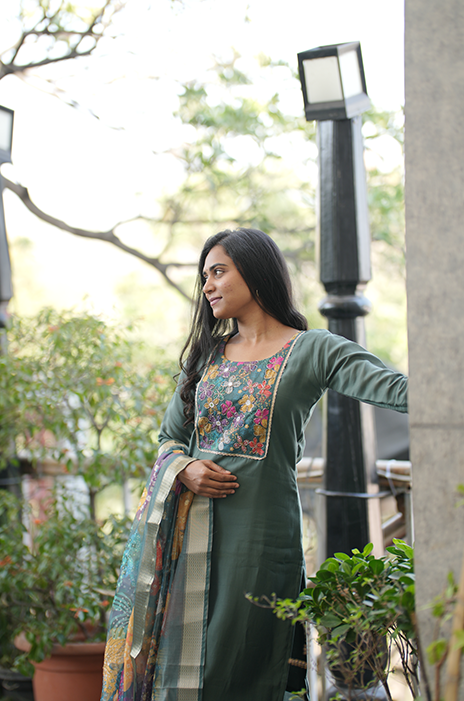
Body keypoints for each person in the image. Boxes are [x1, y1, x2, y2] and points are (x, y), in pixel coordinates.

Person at [101, 228, 408, 701]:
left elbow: (396, 390)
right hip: (191, 533)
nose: (207, 285)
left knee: (246, 664)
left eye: (218, 272)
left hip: (261, 539)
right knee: (182, 669)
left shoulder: (313, 349)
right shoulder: (205, 357)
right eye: (205, 276)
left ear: (256, 272)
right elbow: (169, 439)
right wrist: (184, 468)